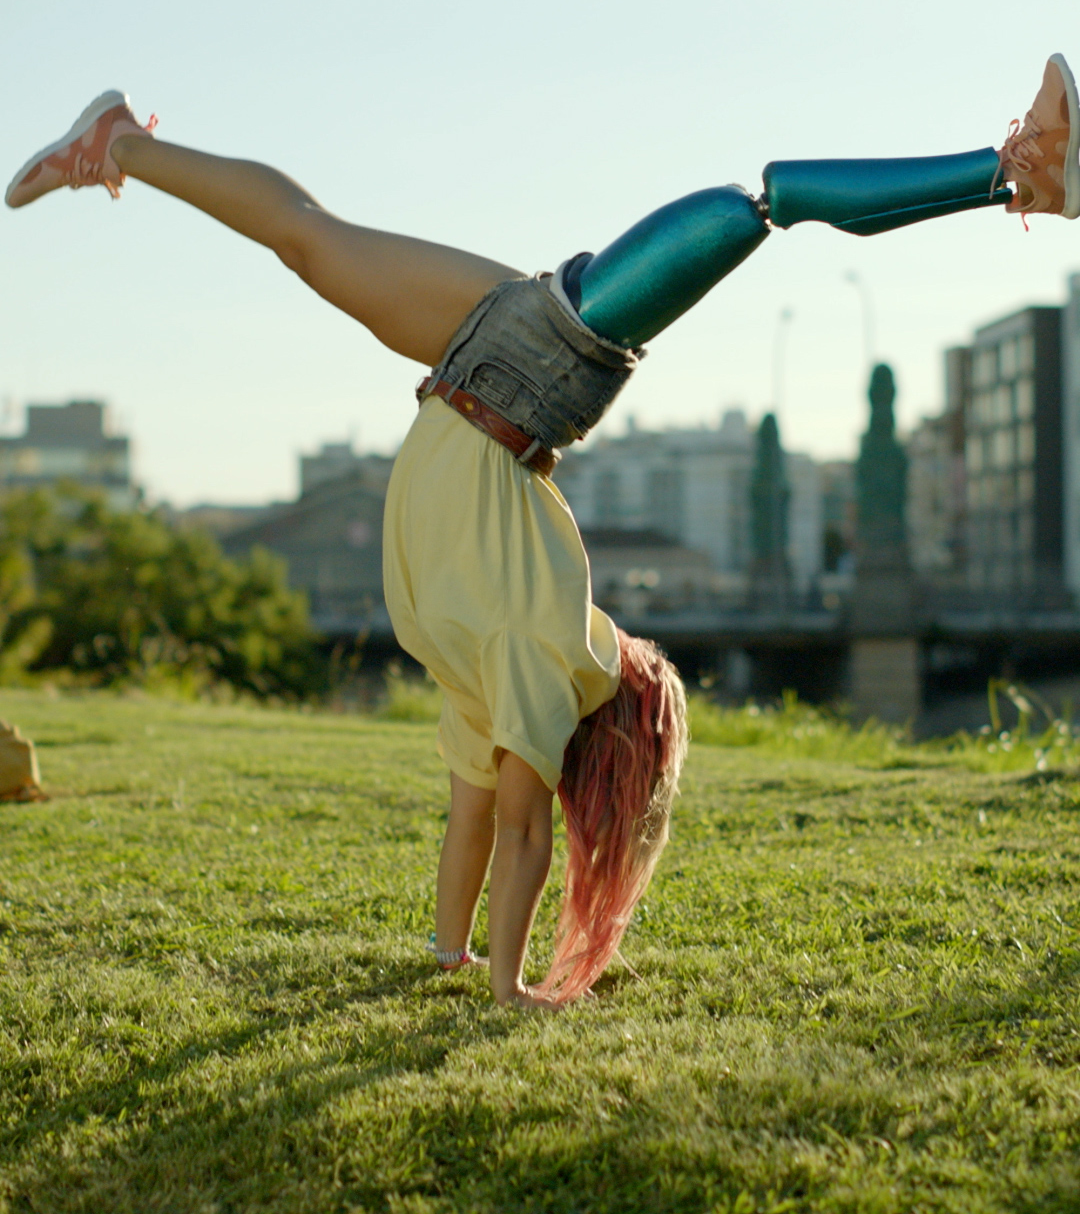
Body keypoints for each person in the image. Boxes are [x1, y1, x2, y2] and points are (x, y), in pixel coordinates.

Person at [6, 54, 1078, 1007]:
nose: (638, 648)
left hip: (514, 365)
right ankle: (1014, 175)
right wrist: (494, 972)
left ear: (628, 710)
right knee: (746, 204)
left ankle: (1015, 173)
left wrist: (482, 970)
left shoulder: (531, 679)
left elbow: (500, 828)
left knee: (759, 201)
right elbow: (498, 829)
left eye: (649, 672)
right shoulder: (523, 666)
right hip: (510, 381)